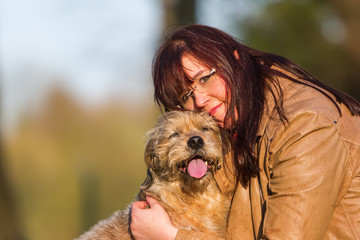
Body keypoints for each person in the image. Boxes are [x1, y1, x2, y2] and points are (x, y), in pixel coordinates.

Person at [130, 24, 360, 240]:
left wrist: (170, 236)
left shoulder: (306, 126)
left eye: (205, 78)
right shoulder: (233, 124)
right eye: (186, 96)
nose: (199, 99)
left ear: (234, 60)